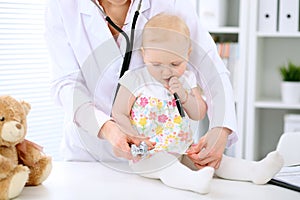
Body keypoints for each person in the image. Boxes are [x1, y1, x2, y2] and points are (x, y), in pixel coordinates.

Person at [45, 0, 237, 166]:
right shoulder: (62, 5)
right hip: (88, 154)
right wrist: (107, 128)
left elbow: (209, 65)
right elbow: (66, 83)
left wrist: (221, 127)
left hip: (163, 151)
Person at [112, 13, 284, 194]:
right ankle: (192, 181)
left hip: (182, 148)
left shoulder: (186, 78)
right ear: (144, 54)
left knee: (210, 160)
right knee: (164, 165)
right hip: (147, 154)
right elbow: (119, 113)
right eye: (156, 64)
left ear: (188, 54)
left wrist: (184, 96)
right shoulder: (135, 80)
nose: (165, 71)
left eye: (175, 63)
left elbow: (199, 113)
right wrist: (133, 138)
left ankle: (255, 171)